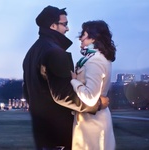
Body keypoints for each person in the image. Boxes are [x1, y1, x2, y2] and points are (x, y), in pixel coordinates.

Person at [22, 6, 108, 150]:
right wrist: (96, 104)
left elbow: (27, 91)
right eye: (65, 24)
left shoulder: (31, 53)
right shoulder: (55, 52)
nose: (67, 29)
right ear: (53, 25)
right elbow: (62, 95)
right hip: (59, 133)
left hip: (42, 132)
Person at [57, 20, 116, 149]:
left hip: (92, 124)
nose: (80, 40)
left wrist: (74, 80)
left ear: (93, 38)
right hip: (91, 120)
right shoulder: (94, 59)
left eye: (83, 36)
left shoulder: (95, 62)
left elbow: (90, 97)